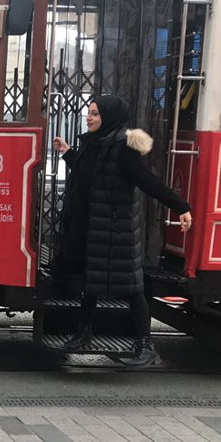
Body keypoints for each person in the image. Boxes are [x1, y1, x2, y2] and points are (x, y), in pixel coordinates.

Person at [53, 95, 192, 368]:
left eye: (94, 114)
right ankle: (84, 333)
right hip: (95, 228)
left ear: (109, 117)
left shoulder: (122, 148)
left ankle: (146, 345)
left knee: (132, 288)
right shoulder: (95, 143)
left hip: (117, 231)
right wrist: (69, 153)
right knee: (90, 284)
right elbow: (89, 175)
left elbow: (147, 182)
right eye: (89, 113)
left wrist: (180, 207)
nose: (89, 118)